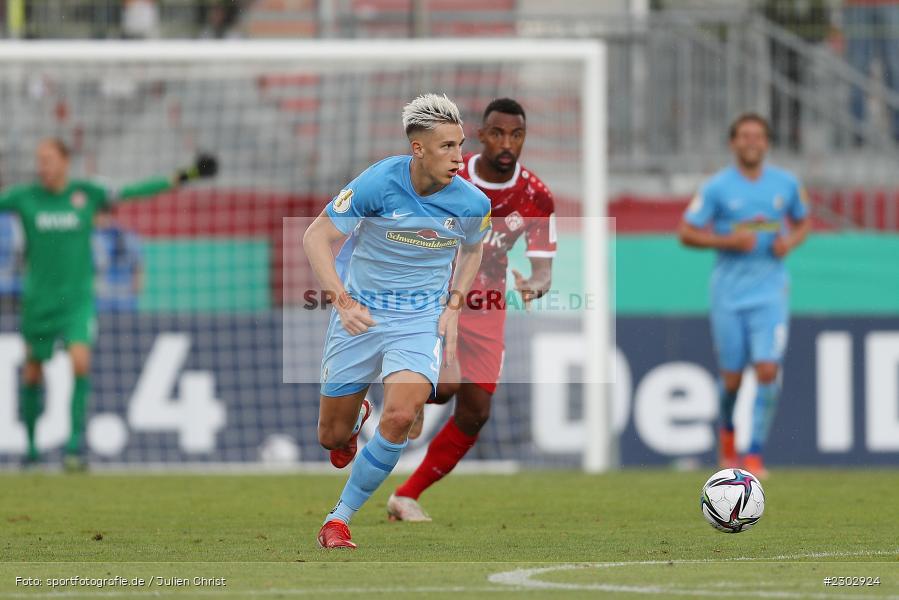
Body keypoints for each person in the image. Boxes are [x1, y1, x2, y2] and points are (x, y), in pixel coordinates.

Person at [302, 93, 490, 549]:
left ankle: (338, 519)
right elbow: (316, 237)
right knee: (332, 437)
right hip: (362, 315)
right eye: (446, 147)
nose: (458, 157)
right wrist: (343, 302)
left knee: (403, 414)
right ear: (418, 149)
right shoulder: (377, 183)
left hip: (419, 319)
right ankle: (356, 416)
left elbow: (473, 248)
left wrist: (453, 306)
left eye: (460, 145)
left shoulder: (471, 202)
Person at [0, 138, 217, 470]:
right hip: (38, 302)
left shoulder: (87, 193)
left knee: (80, 362)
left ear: (65, 161)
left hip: (76, 301)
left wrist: (187, 175)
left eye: (48, 159)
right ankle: (31, 451)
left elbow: (135, 191)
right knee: (32, 374)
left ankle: (74, 449)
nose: (42, 166)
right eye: (39, 160)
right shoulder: (24, 197)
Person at [387, 98, 555, 522]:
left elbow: (543, 272)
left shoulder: (537, 196)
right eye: (497, 133)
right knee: (443, 385)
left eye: (515, 135)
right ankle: (410, 391)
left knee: (477, 410)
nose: (506, 143)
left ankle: (405, 495)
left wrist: (533, 286)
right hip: (435, 290)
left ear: (523, 138)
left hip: (488, 302)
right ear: (482, 135)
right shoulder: (451, 175)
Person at [678, 113, 810, 478]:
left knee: (767, 370)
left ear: (767, 143)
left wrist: (790, 242)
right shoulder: (717, 188)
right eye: (744, 136)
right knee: (732, 379)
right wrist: (726, 240)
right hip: (729, 293)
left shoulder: (786, 184)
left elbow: (804, 222)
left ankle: (754, 454)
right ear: (733, 143)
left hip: (770, 292)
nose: (751, 142)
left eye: (758, 136)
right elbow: (686, 232)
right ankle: (727, 434)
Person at [93, 212, 143, 313]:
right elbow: (138, 267)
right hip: (120, 300)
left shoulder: (93, 238)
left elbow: (138, 267)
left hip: (107, 300)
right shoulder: (129, 236)